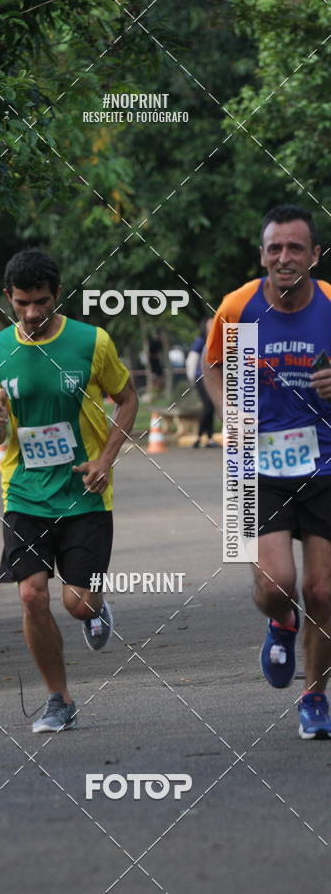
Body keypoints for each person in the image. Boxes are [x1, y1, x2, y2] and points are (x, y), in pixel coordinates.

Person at [0, 250, 138, 733]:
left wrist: (106, 460)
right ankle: (58, 700)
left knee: (78, 603)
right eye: (22, 302)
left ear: (58, 295)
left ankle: (95, 609)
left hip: (84, 491)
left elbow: (128, 399)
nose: (31, 313)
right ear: (8, 297)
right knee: (31, 595)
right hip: (24, 492)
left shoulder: (92, 342)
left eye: (41, 301)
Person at [203, 204, 331, 739]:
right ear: (262, 255)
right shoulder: (241, 308)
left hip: (326, 462)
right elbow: (213, 367)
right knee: (278, 584)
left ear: (314, 255)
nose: (284, 257)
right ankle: (280, 621)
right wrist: (230, 410)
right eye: (275, 248)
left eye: (295, 248)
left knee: (323, 593)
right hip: (257, 463)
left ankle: (314, 696)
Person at [186, 317, 218, 448]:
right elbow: (191, 360)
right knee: (208, 406)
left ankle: (209, 438)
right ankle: (198, 437)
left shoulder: (217, 340)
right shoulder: (200, 341)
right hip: (201, 378)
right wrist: (192, 379)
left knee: (211, 408)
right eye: (209, 324)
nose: (212, 326)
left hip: (212, 379)